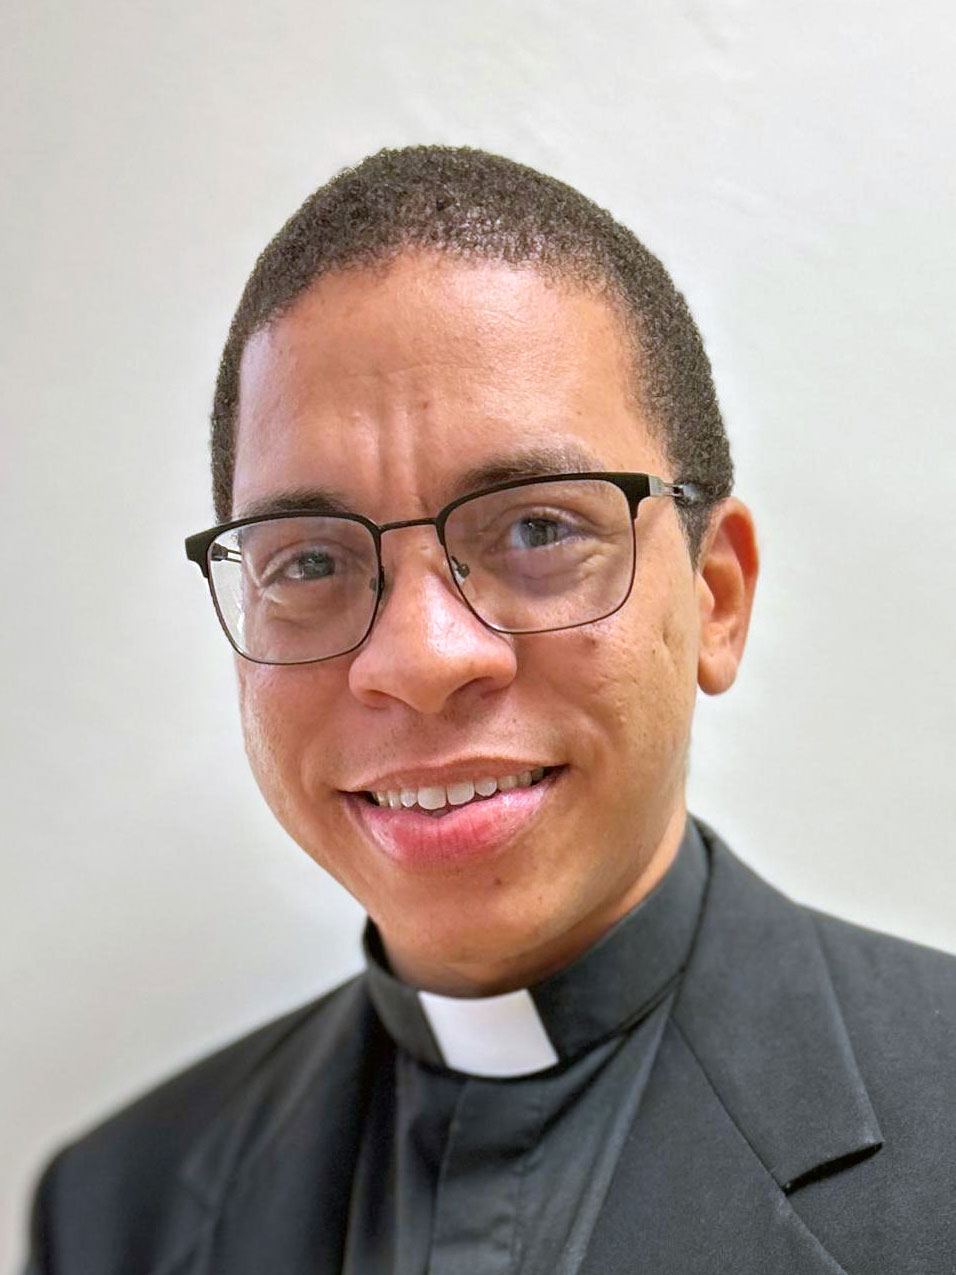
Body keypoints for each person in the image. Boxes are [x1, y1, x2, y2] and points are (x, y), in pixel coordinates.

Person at [24, 147, 956, 1274]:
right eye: (309, 560)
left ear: (715, 597)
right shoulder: (113, 1213)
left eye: (537, 529)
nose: (419, 660)